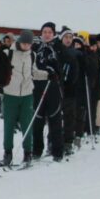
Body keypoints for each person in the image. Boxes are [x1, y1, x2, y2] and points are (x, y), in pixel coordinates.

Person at [1, 29, 35, 167]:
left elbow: (34, 71)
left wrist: (47, 75)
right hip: (10, 94)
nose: (26, 46)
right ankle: (7, 153)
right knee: (8, 124)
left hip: (27, 94)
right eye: (24, 43)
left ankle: (28, 153)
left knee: (27, 124)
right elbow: (0, 70)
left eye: (29, 44)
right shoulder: (8, 53)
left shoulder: (32, 55)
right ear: (19, 41)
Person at [33, 22, 65, 162]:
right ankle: (36, 150)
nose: (47, 35)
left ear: (54, 34)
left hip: (53, 87)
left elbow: (62, 66)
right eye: (44, 32)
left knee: (55, 119)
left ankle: (57, 151)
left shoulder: (58, 47)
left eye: (49, 32)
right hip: (37, 86)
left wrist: (55, 70)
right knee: (38, 119)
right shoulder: (36, 47)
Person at [57, 28, 81, 155]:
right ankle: (53, 140)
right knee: (55, 117)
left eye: (70, 38)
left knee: (69, 117)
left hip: (70, 90)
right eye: (66, 37)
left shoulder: (75, 53)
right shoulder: (57, 51)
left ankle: (68, 142)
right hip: (56, 88)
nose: (68, 40)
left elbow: (78, 71)